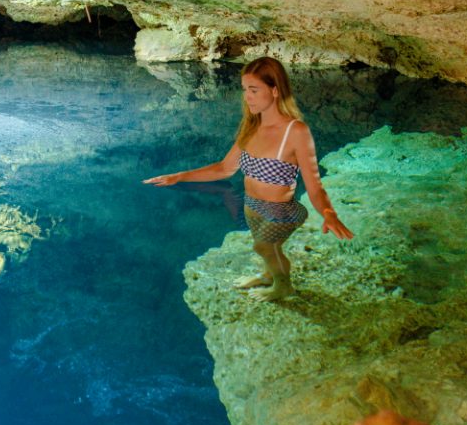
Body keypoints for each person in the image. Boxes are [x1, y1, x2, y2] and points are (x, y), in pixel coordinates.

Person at [143, 56, 353, 301]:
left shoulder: (295, 131)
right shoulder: (251, 126)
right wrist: (179, 177)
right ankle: (268, 275)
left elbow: (314, 183)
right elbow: (224, 169)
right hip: (251, 205)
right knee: (268, 249)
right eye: (245, 90)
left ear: (274, 90)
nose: (247, 96)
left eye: (254, 90)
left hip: (281, 210)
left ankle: (284, 287)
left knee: (263, 247)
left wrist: (329, 213)